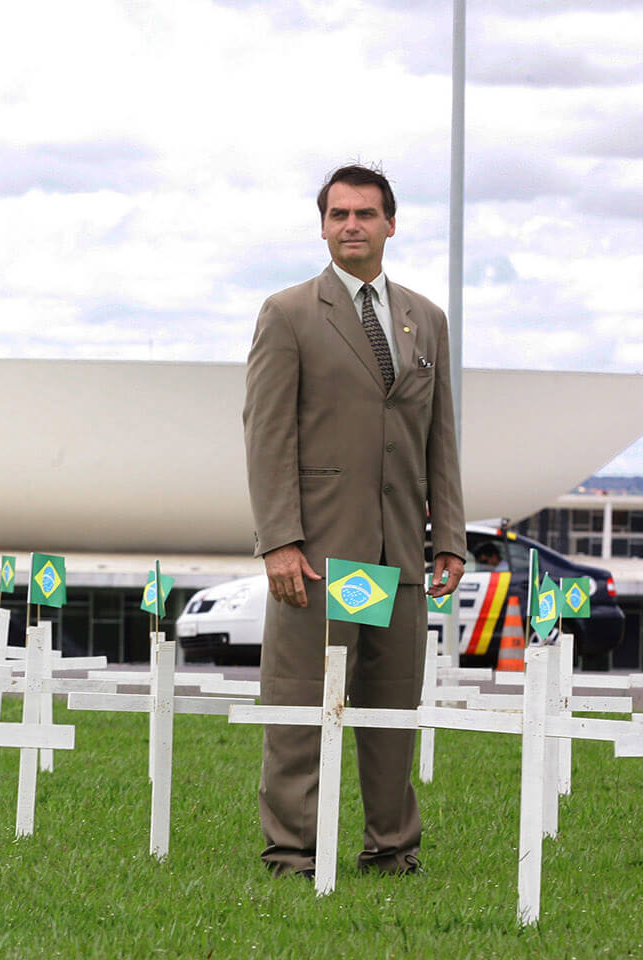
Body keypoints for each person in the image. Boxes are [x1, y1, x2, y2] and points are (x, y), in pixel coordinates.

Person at [242, 164, 467, 877]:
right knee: (301, 707)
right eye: (338, 214)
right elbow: (267, 435)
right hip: (320, 558)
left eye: (365, 214)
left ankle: (392, 850)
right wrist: (279, 540)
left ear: (390, 224)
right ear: (322, 227)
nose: (351, 226)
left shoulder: (426, 319)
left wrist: (449, 537)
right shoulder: (288, 314)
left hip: (398, 555)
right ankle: (292, 853)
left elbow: (440, 437)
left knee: (391, 710)